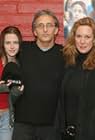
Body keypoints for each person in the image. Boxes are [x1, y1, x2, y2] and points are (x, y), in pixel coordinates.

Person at [12, 9, 64, 140]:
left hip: (52, 126)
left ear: (56, 30)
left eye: (49, 25)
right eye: (40, 26)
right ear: (34, 31)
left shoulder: (65, 54)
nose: (45, 29)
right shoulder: (21, 50)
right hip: (22, 125)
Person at [62, 17, 95, 140]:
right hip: (67, 135)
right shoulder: (69, 64)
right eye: (79, 36)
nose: (82, 41)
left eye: (87, 37)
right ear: (74, 38)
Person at [0, 26, 24, 140]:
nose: (12, 46)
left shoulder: (21, 66)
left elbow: (14, 100)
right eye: (8, 42)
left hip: (7, 116)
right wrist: (3, 87)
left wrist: (16, 93)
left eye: (15, 42)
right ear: (2, 44)